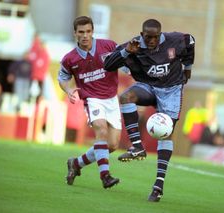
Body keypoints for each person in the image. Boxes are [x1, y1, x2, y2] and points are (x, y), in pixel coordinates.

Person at [104, 19, 195, 201]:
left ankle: (158, 185)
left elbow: (190, 41)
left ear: (160, 35)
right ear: (142, 34)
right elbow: (108, 64)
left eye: (155, 37)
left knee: (165, 134)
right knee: (126, 97)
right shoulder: (134, 45)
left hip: (172, 90)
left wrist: (188, 68)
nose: (152, 41)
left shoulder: (175, 40)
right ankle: (137, 147)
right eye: (148, 37)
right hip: (148, 86)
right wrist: (126, 52)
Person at [58, 16, 121, 189]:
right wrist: (69, 89)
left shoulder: (108, 46)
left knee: (113, 145)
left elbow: (124, 61)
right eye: (81, 32)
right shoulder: (69, 59)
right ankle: (105, 176)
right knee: (101, 129)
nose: (85, 35)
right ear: (75, 33)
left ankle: (76, 163)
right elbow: (62, 78)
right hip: (92, 99)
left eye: (88, 31)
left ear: (93, 31)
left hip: (112, 99)